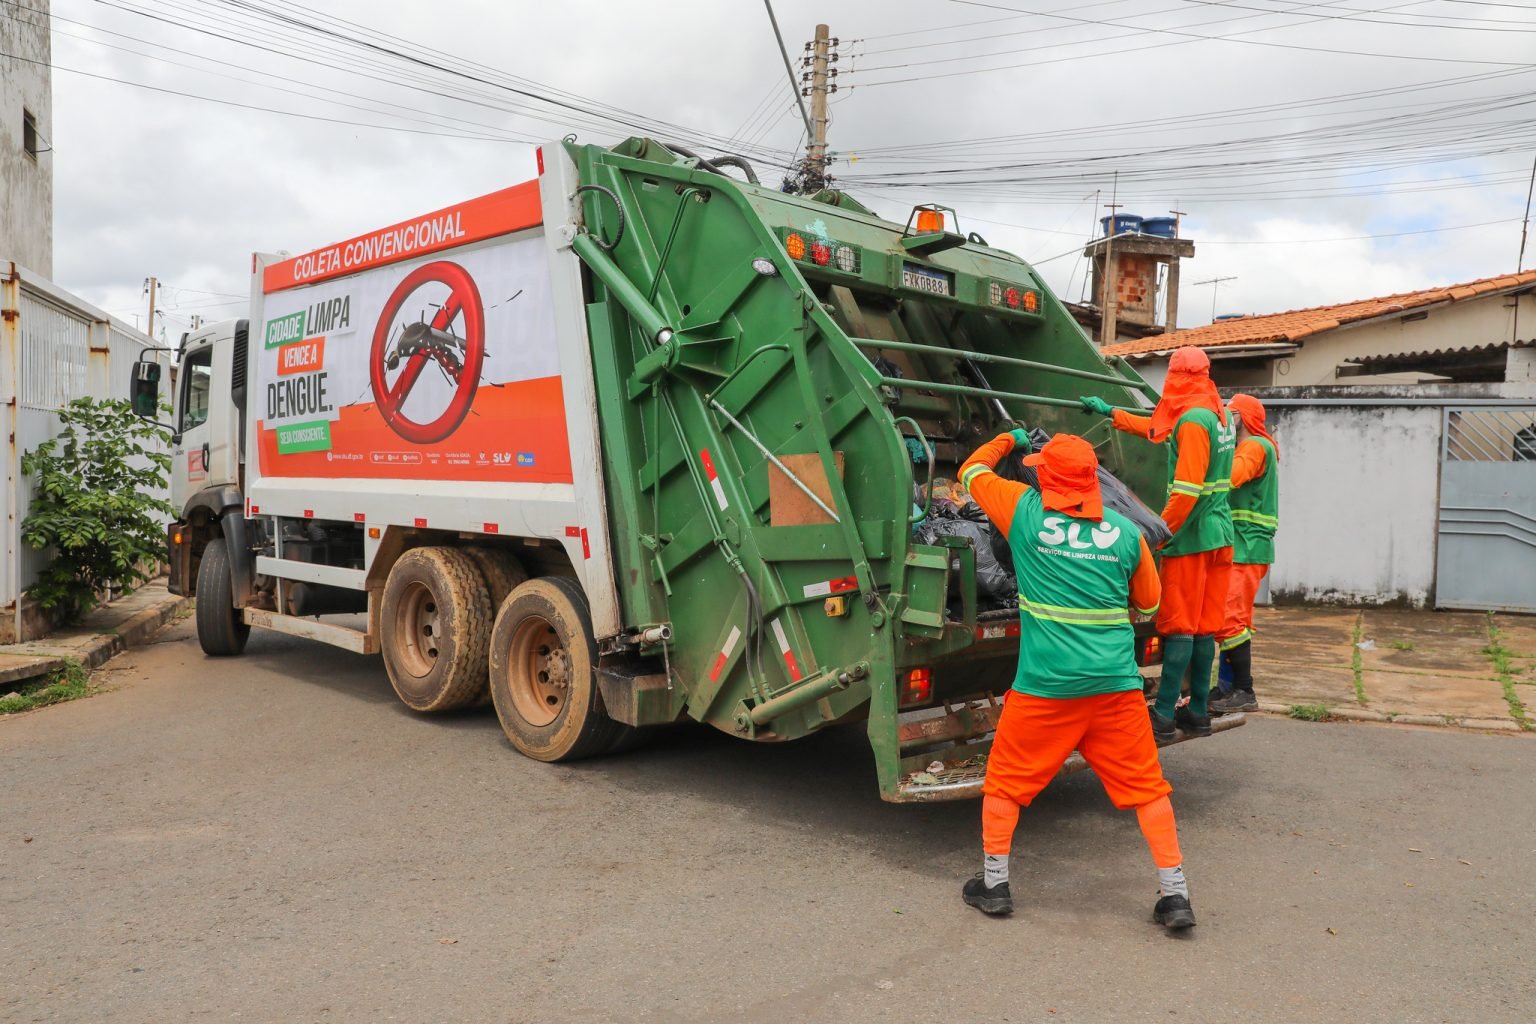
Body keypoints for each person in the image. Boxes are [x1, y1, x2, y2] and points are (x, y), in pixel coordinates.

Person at [957, 429, 1196, 931]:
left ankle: (995, 885)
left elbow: (971, 471)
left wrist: (1006, 439)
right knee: (1148, 788)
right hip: (1115, 686)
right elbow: (1149, 604)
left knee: (1005, 781)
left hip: (1046, 687)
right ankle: (1175, 896)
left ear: (1046, 477)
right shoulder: (1126, 533)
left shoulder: (1024, 511)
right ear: (1092, 480)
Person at [1080, 346, 1235, 743]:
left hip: (1193, 536)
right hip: (1220, 535)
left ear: (1177, 377)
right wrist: (1111, 414)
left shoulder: (1195, 421)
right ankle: (1197, 711)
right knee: (1204, 628)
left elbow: (1186, 491)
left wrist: (1160, 534)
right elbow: (1158, 427)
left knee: (1181, 626)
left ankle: (1164, 715)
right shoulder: (1217, 411)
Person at [1211, 394, 1279, 715]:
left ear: (1242, 417)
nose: (1226, 416)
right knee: (1234, 620)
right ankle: (1227, 688)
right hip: (1245, 546)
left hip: (1247, 546)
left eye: (1230, 412)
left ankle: (1244, 690)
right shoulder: (1255, 447)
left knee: (1229, 620)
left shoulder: (1254, 447)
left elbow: (1231, 477)